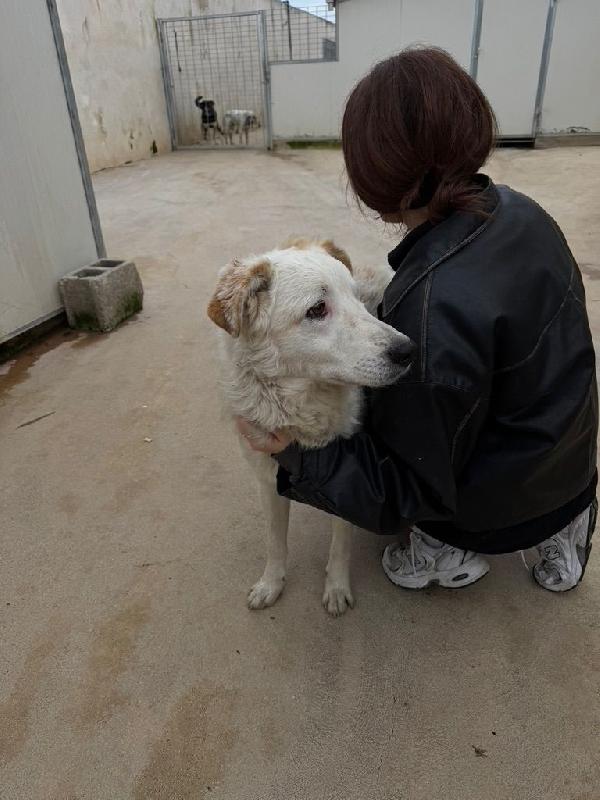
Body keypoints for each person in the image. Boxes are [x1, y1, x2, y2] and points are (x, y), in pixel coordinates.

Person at [237, 47, 598, 593]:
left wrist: (292, 454)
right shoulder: (523, 211)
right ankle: (566, 530)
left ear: (376, 175)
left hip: (498, 507)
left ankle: (446, 550)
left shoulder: (428, 308)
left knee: (393, 418)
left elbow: (401, 493)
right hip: (571, 465)